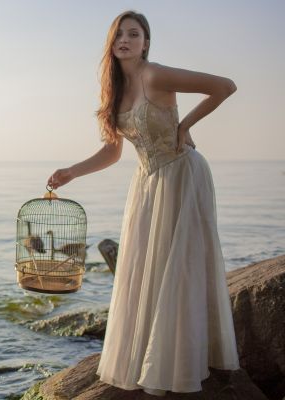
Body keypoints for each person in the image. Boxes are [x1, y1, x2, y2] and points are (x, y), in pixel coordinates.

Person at [47, 10, 240, 396]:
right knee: (145, 269)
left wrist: (186, 126)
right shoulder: (115, 91)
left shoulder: (155, 74)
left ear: (146, 42)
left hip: (182, 175)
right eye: (118, 35)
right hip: (147, 183)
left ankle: (182, 361)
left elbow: (225, 86)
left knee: (179, 269)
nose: (125, 40)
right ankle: (150, 355)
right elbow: (112, 151)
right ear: (111, 44)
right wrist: (72, 172)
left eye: (133, 34)